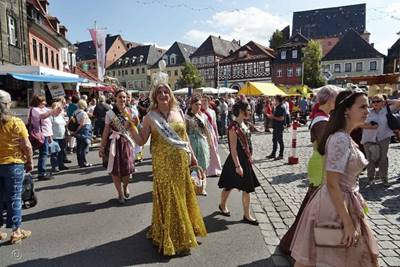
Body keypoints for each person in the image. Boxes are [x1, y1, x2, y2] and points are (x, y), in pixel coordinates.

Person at [291, 90, 379, 267]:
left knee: (331, 258)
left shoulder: (345, 137)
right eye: (362, 106)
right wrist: (346, 221)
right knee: (328, 258)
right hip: (334, 210)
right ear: (346, 110)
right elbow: (332, 183)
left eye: (367, 106)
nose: (367, 110)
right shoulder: (340, 139)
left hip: (342, 203)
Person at [130, 83, 207, 256]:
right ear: (154, 96)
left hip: (180, 162)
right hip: (162, 163)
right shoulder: (150, 117)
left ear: (170, 94)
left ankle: (184, 230)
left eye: (166, 91)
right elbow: (141, 141)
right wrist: (129, 127)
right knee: (169, 195)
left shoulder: (178, 112)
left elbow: (184, 137)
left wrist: (193, 158)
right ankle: (171, 235)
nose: (163, 94)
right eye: (159, 92)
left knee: (180, 194)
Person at [279, 85, 339, 255]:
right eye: (336, 98)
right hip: (321, 165)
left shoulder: (323, 117)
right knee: (315, 210)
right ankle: (304, 247)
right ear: (328, 100)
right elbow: (325, 147)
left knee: (312, 208)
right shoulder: (321, 120)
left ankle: (299, 244)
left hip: (321, 165)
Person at [217, 99, 260, 225]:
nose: (250, 111)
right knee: (229, 185)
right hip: (236, 161)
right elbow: (233, 149)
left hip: (245, 160)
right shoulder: (233, 127)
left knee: (247, 188)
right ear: (241, 111)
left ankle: (247, 215)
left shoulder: (244, 124)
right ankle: (222, 205)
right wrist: (237, 166)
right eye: (248, 110)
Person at [0, 90, 32, 244]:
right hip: (14, 164)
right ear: (8, 104)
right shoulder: (16, 122)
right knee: (14, 197)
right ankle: (16, 231)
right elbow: (27, 145)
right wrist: (30, 161)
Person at [99, 90, 135, 204]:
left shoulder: (130, 111)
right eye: (120, 97)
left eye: (124, 97)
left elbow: (134, 128)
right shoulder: (110, 113)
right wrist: (102, 146)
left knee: (128, 170)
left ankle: (125, 186)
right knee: (115, 170)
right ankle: (120, 193)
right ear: (115, 98)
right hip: (114, 142)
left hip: (126, 141)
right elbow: (106, 131)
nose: (123, 99)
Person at [361, 94, 400, 186]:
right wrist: (369, 126)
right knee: (370, 160)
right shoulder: (367, 112)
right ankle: (370, 179)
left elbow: (399, 103)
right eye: (373, 101)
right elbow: (358, 123)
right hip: (368, 138)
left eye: (378, 101)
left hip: (384, 137)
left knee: (383, 159)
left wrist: (388, 101)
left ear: (383, 102)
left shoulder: (387, 110)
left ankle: (384, 179)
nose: (375, 103)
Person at [29, 95, 62, 180]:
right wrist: (52, 110)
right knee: (43, 153)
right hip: (40, 134)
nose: (45, 102)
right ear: (38, 102)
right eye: (43, 101)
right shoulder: (34, 109)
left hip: (46, 134)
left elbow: (55, 114)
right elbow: (43, 116)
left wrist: (58, 109)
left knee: (44, 153)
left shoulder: (43, 108)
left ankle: (42, 172)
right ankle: (41, 173)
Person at [186, 95, 211, 189]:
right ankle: (193, 186)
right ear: (191, 105)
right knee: (192, 166)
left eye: (200, 104)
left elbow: (205, 130)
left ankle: (202, 187)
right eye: (196, 104)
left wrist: (209, 142)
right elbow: (185, 132)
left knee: (203, 165)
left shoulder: (202, 116)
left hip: (202, 142)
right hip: (192, 143)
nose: (198, 106)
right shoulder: (187, 117)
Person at [201, 95, 222, 177]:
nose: (204, 103)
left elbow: (215, 124)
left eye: (205, 101)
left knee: (214, 151)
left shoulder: (212, 111)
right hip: (204, 133)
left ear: (208, 101)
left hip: (211, 132)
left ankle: (215, 169)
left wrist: (217, 134)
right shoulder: (200, 112)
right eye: (202, 101)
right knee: (205, 151)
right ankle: (206, 170)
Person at [71, 100, 92, 168]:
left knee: (79, 147)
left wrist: (75, 131)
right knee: (84, 146)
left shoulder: (75, 112)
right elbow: (82, 124)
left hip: (79, 130)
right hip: (84, 130)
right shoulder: (83, 113)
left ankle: (80, 162)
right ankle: (84, 162)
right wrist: (77, 131)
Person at [49, 101, 69, 172]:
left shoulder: (61, 116)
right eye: (59, 108)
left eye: (61, 108)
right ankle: (55, 166)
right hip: (54, 137)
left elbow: (65, 125)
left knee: (61, 152)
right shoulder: (51, 116)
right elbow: (48, 127)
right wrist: (50, 138)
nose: (60, 109)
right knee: (54, 153)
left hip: (62, 136)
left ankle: (61, 165)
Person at [266, 95, 286, 160]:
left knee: (280, 141)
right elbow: (275, 116)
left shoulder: (281, 107)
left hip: (279, 126)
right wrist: (268, 114)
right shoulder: (277, 107)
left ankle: (281, 155)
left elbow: (282, 118)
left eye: (275, 99)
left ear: (277, 100)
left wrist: (273, 117)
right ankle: (273, 153)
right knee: (274, 140)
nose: (274, 100)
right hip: (276, 126)